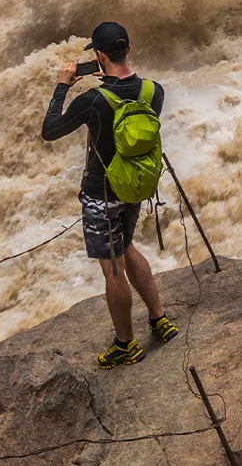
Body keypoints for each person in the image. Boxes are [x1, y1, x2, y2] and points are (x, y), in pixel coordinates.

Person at [42, 21, 179, 368]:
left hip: (101, 193)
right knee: (128, 246)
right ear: (128, 49)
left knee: (113, 268)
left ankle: (125, 344)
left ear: (99, 56)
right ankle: (159, 318)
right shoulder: (153, 91)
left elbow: (50, 130)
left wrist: (62, 86)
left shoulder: (93, 100)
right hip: (134, 187)